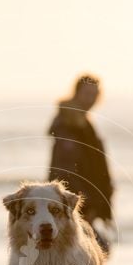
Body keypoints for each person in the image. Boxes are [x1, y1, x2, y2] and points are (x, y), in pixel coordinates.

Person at [48, 74, 115, 254]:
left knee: (92, 253)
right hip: (78, 203)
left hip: (83, 201)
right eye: (87, 93)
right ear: (77, 93)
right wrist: (86, 204)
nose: (91, 98)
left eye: (95, 94)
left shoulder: (84, 124)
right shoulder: (69, 125)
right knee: (85, 255)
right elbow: (67, 170)